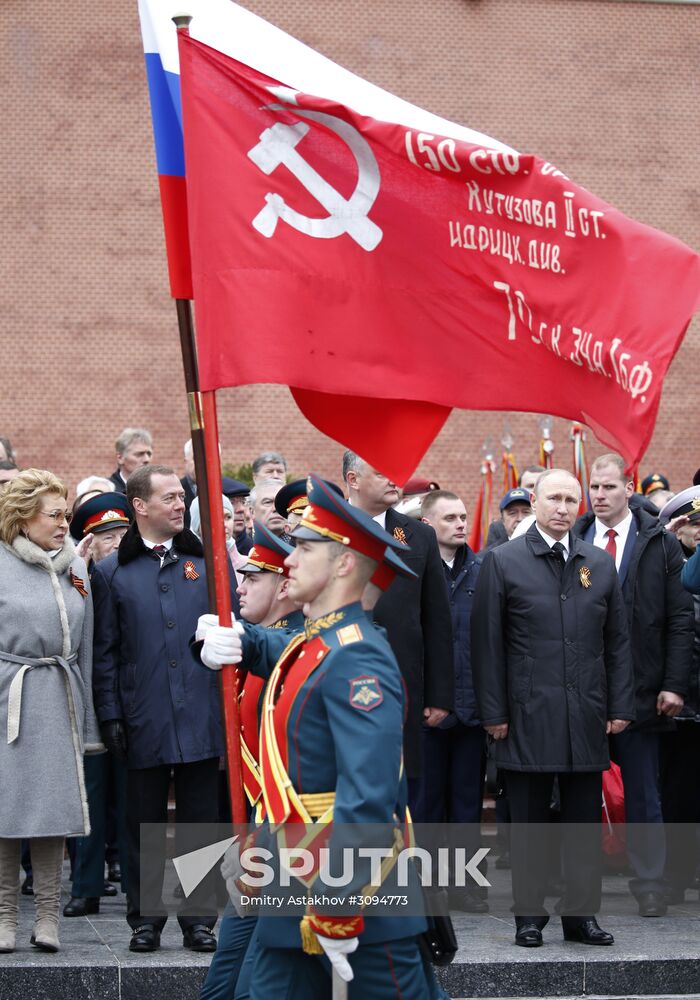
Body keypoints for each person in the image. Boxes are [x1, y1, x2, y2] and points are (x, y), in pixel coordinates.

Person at [198, 475, 436, 998]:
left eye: (305, 548)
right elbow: (286, 655)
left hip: (353, 900)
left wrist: (336, 906)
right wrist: (238, 636)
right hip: (291, 884)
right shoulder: (316, 641)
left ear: (344, 563)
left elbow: (368, 797)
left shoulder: (357, 656)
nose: (288, 560)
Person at [472, 468, 635, 948]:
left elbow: (618, 642)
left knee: (583, 823)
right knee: (527, 824)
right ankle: (528, 915)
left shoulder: (597, 563)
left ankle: (580, 916)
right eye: (554, 498)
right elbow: (487, 646)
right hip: (526, 714)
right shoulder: (503, 562)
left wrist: (619, 704)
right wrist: (494, 712)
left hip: (585, 714)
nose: (563, 507)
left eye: (571, 499)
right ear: (537, 503)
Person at [91, 464, 239, 953]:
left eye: (181, 496)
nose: (181, 504)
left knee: (201, 820)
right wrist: (111, 714)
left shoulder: (206, 563)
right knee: (143, 823)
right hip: (143, 715)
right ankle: (146, 920)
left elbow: (230, 637)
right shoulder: (112, 571)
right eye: (170, 497)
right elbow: (106, 651)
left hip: (200, 713)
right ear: (140, 506)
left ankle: (200, 919)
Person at [573, 453, 694, 916]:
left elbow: (680, 619)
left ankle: (650, 884)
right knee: (582, 792)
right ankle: (582, 886)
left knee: (644, 792)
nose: (598, 495)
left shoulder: (657, 542)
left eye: (608, 487)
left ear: (628, 487)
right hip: (583, 691)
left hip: (643, 690)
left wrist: (674, 684)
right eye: (594, 487)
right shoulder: (577, 535)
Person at [198, 522, 304, 1000]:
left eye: (252, 579)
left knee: (249, 990)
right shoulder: (265, 640)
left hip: (285, 847)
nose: (239, 587)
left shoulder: (296, 647)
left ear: (285, 585)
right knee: (220, 986)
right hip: (258, 843)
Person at [0, 469, 103, 953]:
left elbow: (83, 647)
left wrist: (88, 721)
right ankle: (3, 918)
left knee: (52, 812)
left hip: (59, 698)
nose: (65, 523)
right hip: (8, 699)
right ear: (23, 517)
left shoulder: (77, 570)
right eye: (55, 514)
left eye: (67, 513)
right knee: (6, 810)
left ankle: (47, 918)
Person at [342, 452, 453, 814]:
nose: (395, 479)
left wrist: (439, 695)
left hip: (399, 684)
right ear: (353, 479)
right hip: (335, 680)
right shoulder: (322, 530)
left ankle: (399, 866)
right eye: (382, 470)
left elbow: (436, 618)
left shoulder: (418, 535)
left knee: (401, 789)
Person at [62, 492, 132, 918]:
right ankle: (85, 887)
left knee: (135, 801)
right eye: (107, 536)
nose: (116, 542)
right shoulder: (76, 580)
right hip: (87, 704)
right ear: (88, 541)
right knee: (88, 801)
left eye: (123, 532)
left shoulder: (137, 573)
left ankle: (139, 887)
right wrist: (76, 566)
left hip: (132, 702)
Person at [419, 489, 487, 912]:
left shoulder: (483, 569)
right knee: (425, 804)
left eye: (463, 517)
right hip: (427, 711)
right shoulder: (413, 571)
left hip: (472, 709)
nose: (461, 524)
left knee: (467, 804)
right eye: (450, 518)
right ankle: (425, 886)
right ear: (428, 524)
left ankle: (466, 885)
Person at [658, 488, 700, 902]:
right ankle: (676, 875)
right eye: (694, 523)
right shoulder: (672, 566)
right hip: (684, 703)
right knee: (679, 797)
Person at [189, 494, 249, 582]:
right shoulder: (189, 568)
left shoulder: (248, 564)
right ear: (197, 526)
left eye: (228, 517)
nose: (224, 524)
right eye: (214, 518)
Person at [485, 466, 544, 548]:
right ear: (519, 489)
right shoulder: (498, 528)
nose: (535, 491)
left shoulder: (557, 521)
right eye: (530, 486)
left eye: (540, 487)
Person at [108, 428, 153, 493]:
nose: (147, 459)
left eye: (149, 454)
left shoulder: (155, 490)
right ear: (120, 458)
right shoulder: (108, 491)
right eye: (139, 454)